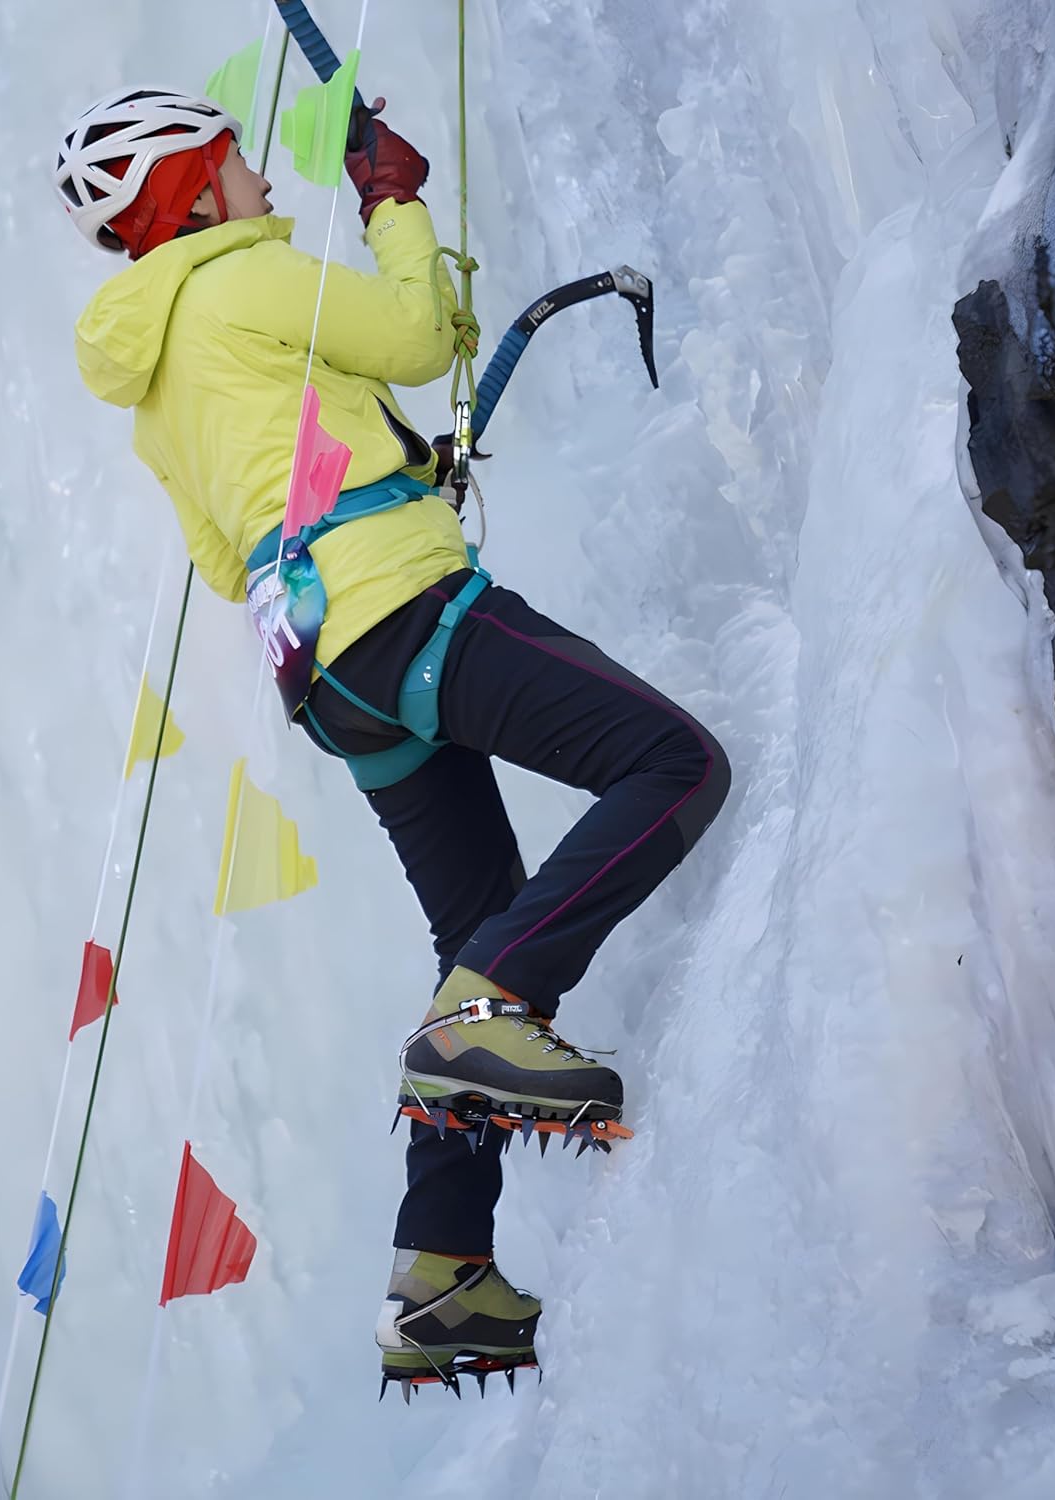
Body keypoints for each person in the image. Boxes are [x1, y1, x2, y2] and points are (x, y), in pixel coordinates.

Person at [57, 87, 731, 1395]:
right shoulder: (243, 282)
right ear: (191, 197)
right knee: (676, 766)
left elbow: (221, 551)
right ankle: (489, 1018)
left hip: (328, 679)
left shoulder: (152, 394)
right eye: (237, 162)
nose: (260, 177)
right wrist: (393, 201)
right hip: (404, 611)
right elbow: (423, 335)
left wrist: (398, 473)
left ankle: (441, 1277)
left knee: (471, 921)